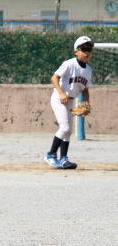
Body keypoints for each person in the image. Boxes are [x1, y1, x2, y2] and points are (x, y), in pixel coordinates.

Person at [44, 36, 93, 169]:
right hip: (59, 99)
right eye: (84, 49)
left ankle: (64, 159)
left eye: (89, 49)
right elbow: (54, 77)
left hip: (70, 101)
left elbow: (85, 90)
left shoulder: (88, 70)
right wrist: (60, 93)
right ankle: (51, 155)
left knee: (69, 130)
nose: (87, 52)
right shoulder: (69, 64)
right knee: (64, 127)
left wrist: (86, 104)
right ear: (76, 51)